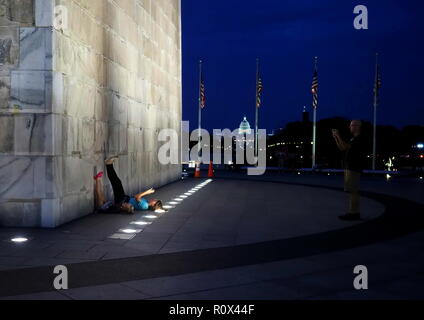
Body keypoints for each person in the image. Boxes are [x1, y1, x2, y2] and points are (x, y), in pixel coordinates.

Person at [94, 157, 163, 214]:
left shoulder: (144, 206)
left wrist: (147, 192)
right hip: (123, 199)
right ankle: (108, 165)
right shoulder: (146, 203)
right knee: (116, 182)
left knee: (116, 182)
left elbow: (137, 197)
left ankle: (108, 164)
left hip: (122, 200)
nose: (154, 199)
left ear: (154, 205)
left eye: (155, 200)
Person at [332, 120, 367, 221]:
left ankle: (354, 213)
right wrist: (336, 137)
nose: (349, 127)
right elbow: (342, 148)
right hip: (350, 166)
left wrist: (338, 135)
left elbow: (343, 146)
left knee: (353, 191)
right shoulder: (354, 138)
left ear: (357, 126)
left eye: (351, 125)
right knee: (352, 190)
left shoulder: (359, 139)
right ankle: (353, 212)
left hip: (354, 166)